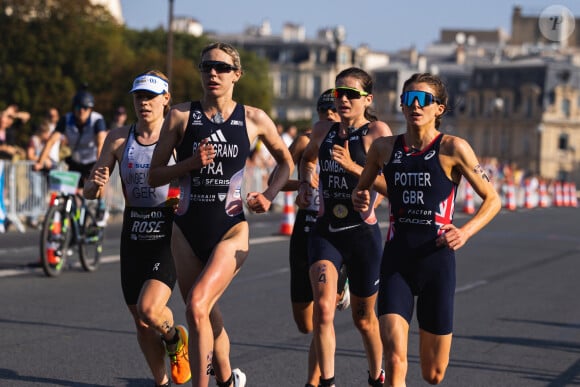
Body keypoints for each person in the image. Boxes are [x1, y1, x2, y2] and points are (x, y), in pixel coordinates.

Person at [148, 42, 293, 387]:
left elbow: (286, 162)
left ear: (237, 75)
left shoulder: (254, 118)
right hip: (186, 230)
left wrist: (270, 194)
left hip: (230, 228)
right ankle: (228, 380)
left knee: (196, 306)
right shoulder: (181, 116)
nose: (213, 73)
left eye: (222, 68)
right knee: (205, 317)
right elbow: (154, 174)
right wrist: (189, 164)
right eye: (206, 66)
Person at [352, 72, 501, 386]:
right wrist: (360, 195)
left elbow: (492, 199)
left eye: (423, 100)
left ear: (439, 109)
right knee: (394, 356)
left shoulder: (454, 148)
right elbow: (363, 188)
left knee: (433, 373)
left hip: (437, 261)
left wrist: (466, 231)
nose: (414, 106)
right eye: (408, 99)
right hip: (397, 261)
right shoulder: (382, 148)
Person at [83, 70, 191, 387]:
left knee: (149, 308)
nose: (144, 103)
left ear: (166, 100)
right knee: (141, 320)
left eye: (151, 97)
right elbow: (92, 187)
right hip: (133, 231)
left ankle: (174, 340)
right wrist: (94, 184)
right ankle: (161, 381)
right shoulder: (118, 138)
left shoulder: (179, 138)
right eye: (139, 96)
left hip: (168, 230)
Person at [296, 67, 392, 387]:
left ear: (367, 100)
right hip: (327, 232)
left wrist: (356, 173)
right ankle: (328, 382)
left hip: (362, 234)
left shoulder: (377, 132)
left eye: (352, 94)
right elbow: (308, 158)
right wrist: (305, 184)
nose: (344, 100)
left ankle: (376, 376)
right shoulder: (323, 130)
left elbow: (392, 185)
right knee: (323, 309)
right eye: (339, 93)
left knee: (364, 320)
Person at [281, 89, 350, 387]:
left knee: (323, 313)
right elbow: (277, 178)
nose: (329, 118)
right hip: (305, 226)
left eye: (334, 113)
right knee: (304, 322)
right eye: (325, 113)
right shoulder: (305, 141)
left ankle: (314, 381)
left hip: (336, 228)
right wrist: (302, 184)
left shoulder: (351, 143)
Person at [34, 86, 108, 225]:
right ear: (74, 107)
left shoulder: (97, 120)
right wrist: (40, 162)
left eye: (85, 108)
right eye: (79, 107)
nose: (81, 111)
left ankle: (101, 205)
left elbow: (101, 143)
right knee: (70, 192)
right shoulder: (66, 119)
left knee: (98, 180)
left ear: (90, 109)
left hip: (93, 159)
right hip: (75, 160)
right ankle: (70, 219)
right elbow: (51, 141)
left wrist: (100, 165)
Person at [26, 121, 57, 228]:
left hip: (43, 172)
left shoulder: (45, 143)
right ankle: (32, 217)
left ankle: (34, 217)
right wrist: (42, 161)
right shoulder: (34, 140)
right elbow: (30, 155)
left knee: (42, 195)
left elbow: (47, 155)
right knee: (37, 194)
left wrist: (48, 161)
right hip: (34, 172)